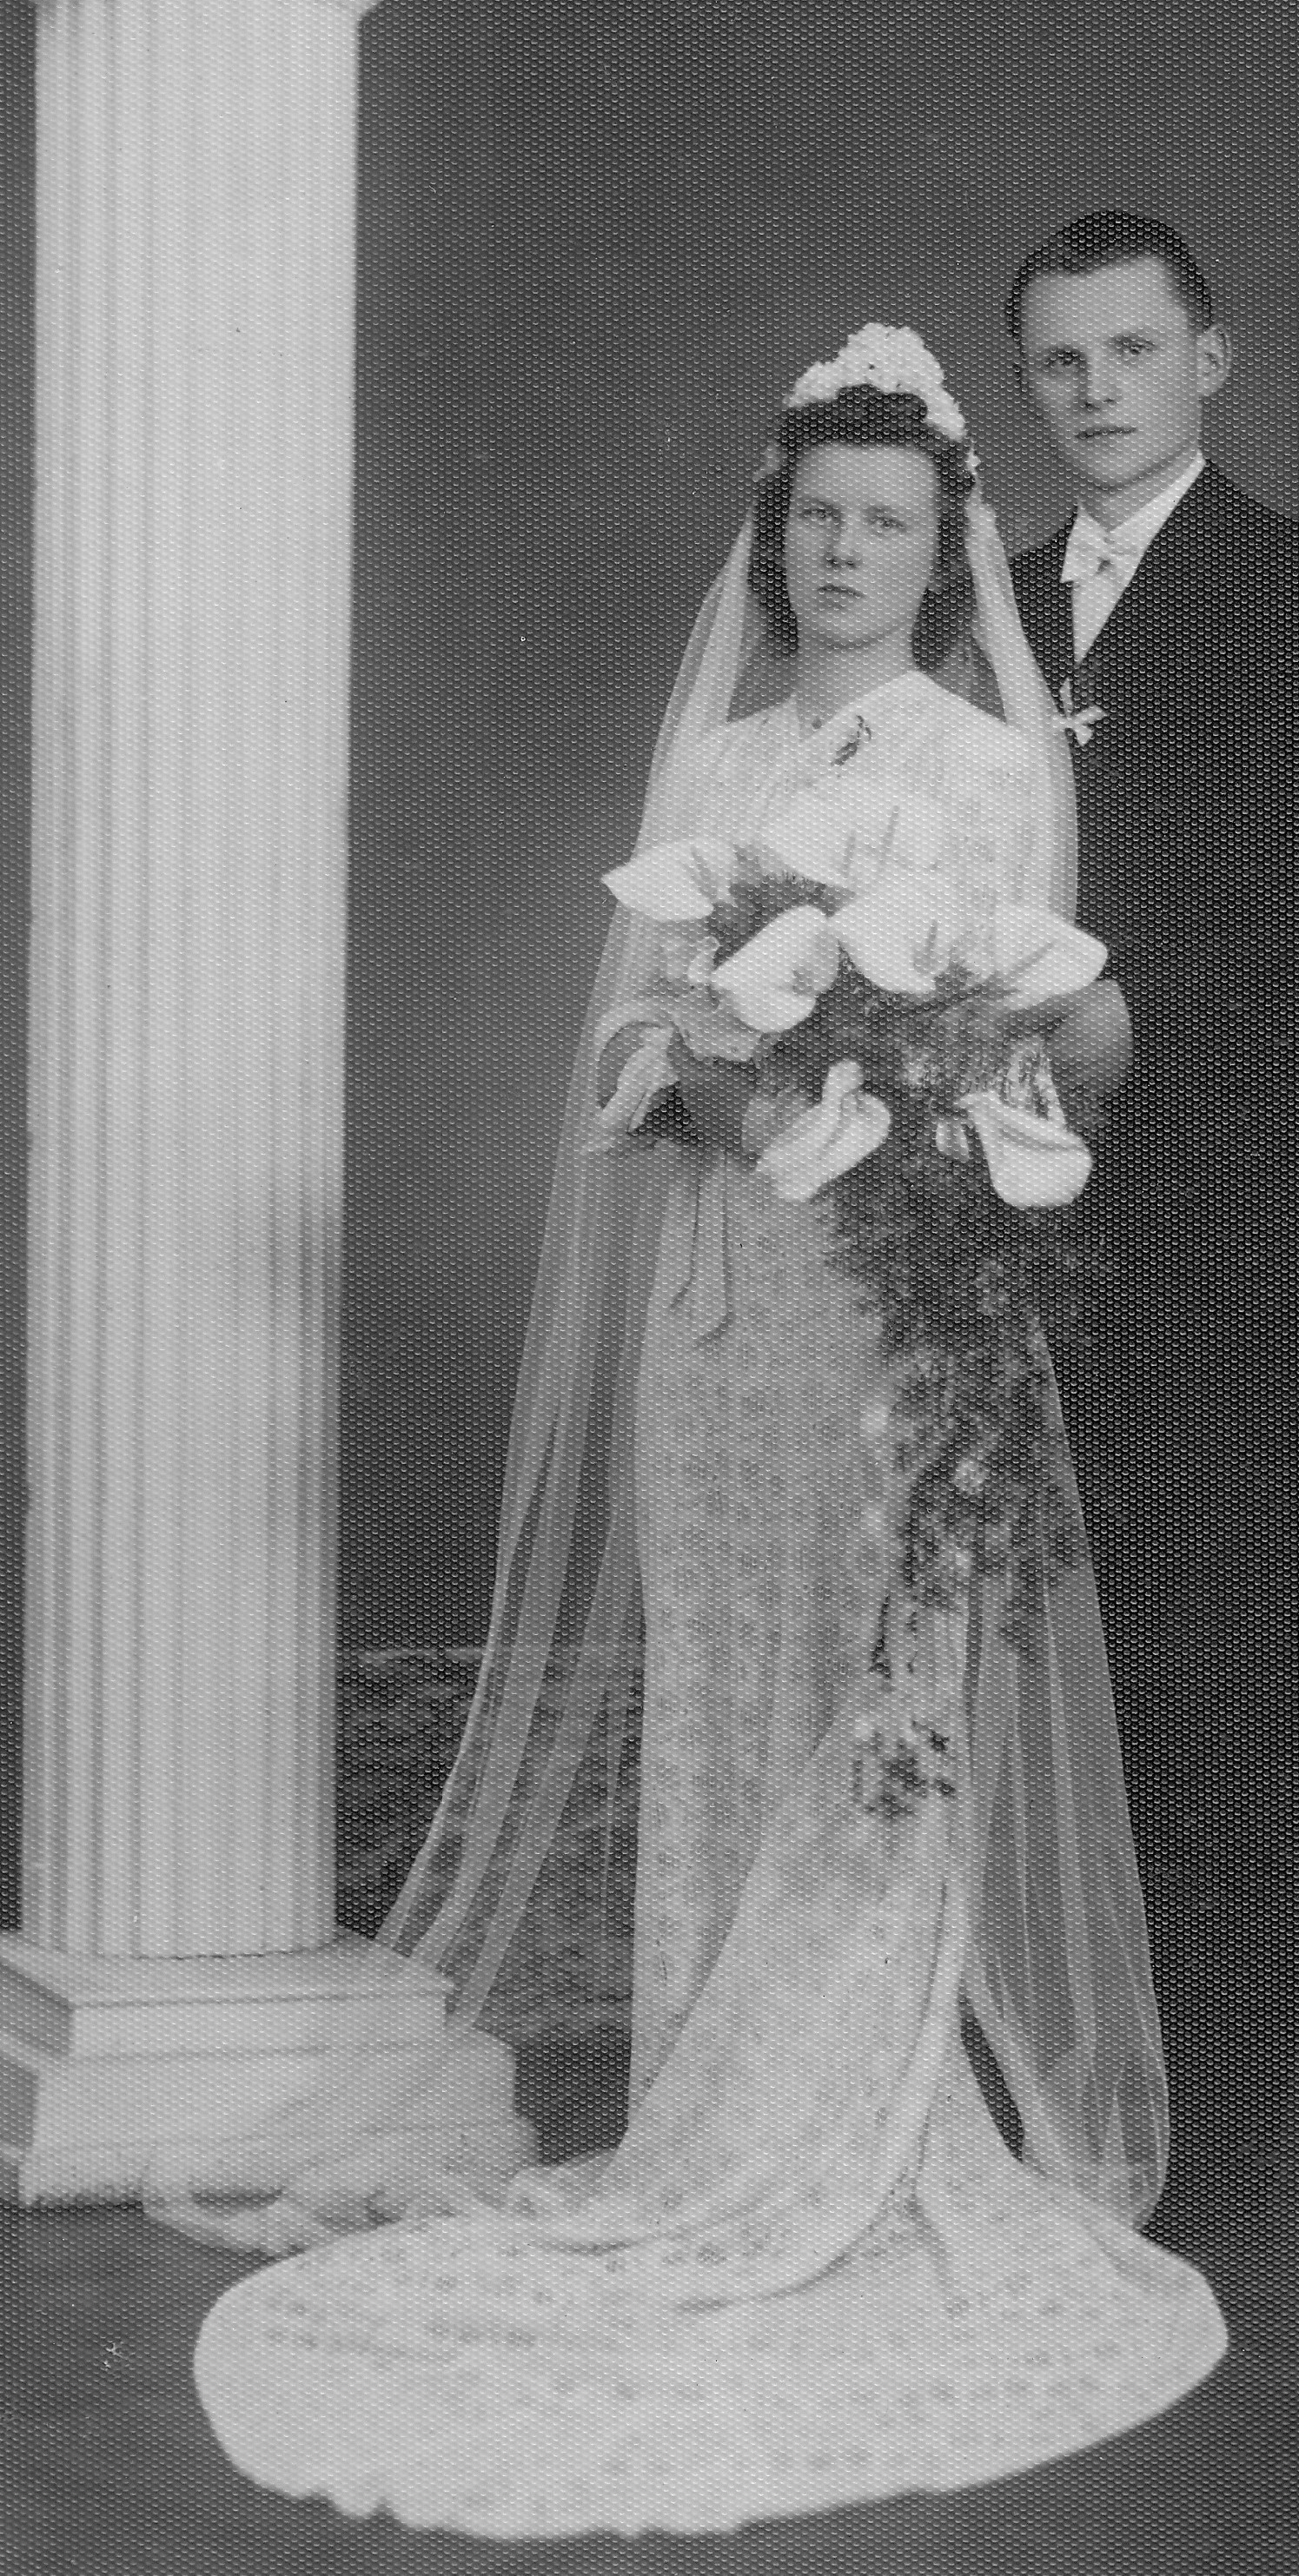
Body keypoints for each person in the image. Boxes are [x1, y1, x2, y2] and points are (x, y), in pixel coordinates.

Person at [171, 328, 1226, 2541]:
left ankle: (842, 2125)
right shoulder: (725, 753)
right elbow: (637, 1044)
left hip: (895, 1295)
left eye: (886, 526)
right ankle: (703, 2121)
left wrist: (863, 1067)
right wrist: (704, 1074)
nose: (844, 554)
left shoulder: (980, 766)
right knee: (727, 1678)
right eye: (816, 519)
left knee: (874, 1684)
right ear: (777, 539)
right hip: (721, 1292)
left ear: (940, 556)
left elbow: (1019, 1039)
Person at [1005, 211, 1299, 2270]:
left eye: (1130, 349)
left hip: (1231, 1234)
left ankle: (1199, 2170)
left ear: (1209, 357)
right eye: (1058, 361)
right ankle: (1037, 2118)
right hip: (1002, 1240)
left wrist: (1154, 1016)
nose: (1095, 391)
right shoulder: (990, 610)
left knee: (1209, 1683)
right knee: (1027, 1683)